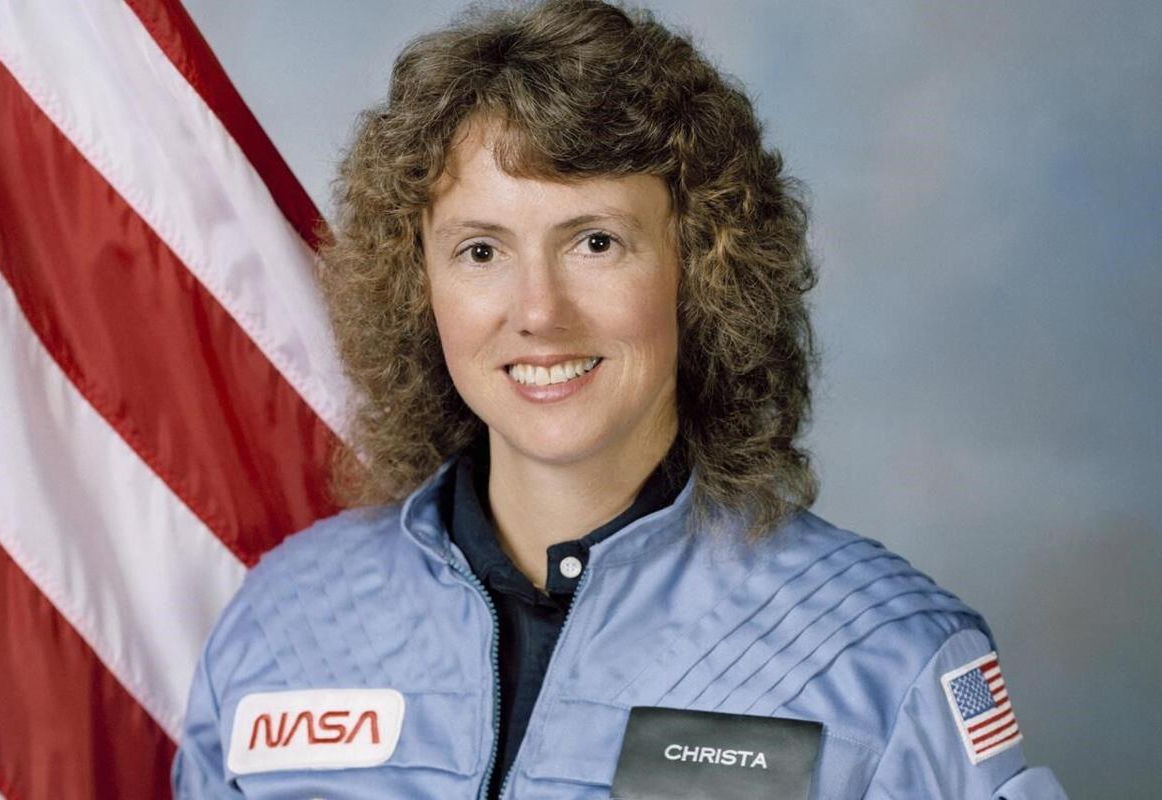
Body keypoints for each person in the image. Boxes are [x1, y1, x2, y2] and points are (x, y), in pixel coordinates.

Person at [173, 1, 1067, 797]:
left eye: (595, 242)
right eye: (481, 251)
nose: (538, 312)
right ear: (418, 285)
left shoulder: (879, 660)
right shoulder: (286, 622)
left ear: (703, 266)